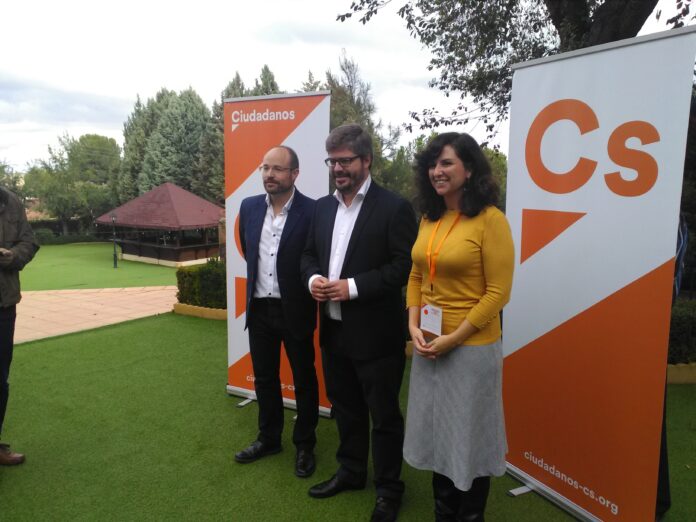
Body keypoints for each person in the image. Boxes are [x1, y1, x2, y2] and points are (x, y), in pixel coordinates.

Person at [301, 124, 417, 522]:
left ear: (367, 160)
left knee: (383, 417)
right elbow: (308, 255)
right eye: (332, 161)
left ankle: (388, 490)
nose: (337, 168)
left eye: (345, 160)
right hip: (333, 331)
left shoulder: (394, 207)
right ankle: (351, 472)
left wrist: (351, 287)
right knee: (346, 409)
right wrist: (314, 280)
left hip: (377, 337)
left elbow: (404, 266)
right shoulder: (322, 208)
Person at [404, 132, 514, 522]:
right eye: (433, 164)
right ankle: (444, 513)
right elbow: (417, 275)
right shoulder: (429, 218)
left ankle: (469, 516)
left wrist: (454, 338)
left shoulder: (491, 220)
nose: (437, 171)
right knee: (439, 432)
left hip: (471, 349)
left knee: (468, 436)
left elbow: (498, 293)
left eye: (446, 163)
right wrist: (414, 325)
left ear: (469, 170)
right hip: (430, 345)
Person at [235, 146, 319, 479]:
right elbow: (249, 249)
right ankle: (269, 439)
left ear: (294, 174)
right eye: (265, 168)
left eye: (277, 169)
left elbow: (314, 256)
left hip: (294, 309)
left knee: (304, 380)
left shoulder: (313, 211)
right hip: (259, 309)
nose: (269, 174)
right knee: (265, 378)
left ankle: (305, 444)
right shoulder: (249, 207)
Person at [0, 187, 39, 466]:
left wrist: (12, 256)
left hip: (4, 304)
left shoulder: (10, 201)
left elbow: (29, 242)